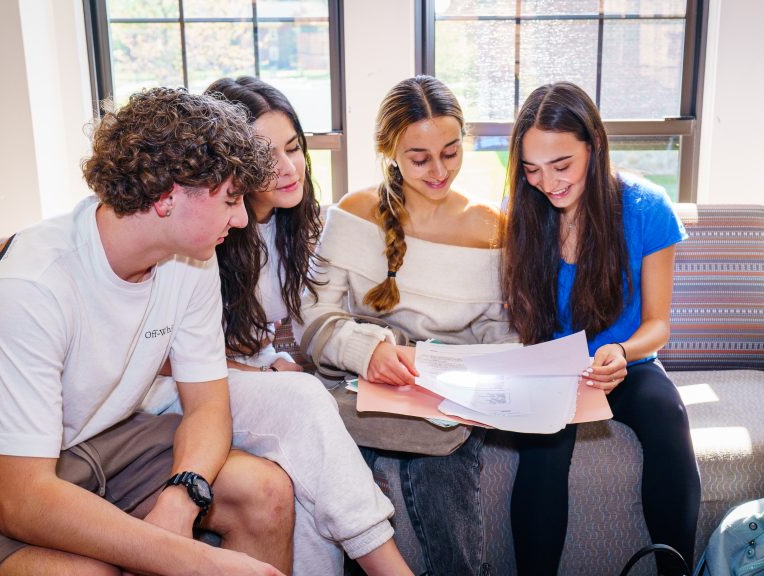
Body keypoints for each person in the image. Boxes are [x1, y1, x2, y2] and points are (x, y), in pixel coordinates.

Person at [0, 87, 295, 576]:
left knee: (267, 493)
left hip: (108, 439)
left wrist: (181, 500)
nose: (241, 219)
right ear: (167, 196)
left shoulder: (192, 261)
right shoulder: (28, 289)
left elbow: (207, 406)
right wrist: (192, 559)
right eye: (231, 199)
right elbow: (23, 499)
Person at [140, 76, 411, 576]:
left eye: (294, 148)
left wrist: (275, 360)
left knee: (304, 479)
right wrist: (266, 374)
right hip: (183, 389)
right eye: (268, 156)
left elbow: (285, 329)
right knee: (303, 399)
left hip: (243, 380)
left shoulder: (296, 226)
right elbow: (165, 354)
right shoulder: (203, 232)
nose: (289, 169)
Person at [298, 75, 513, 576]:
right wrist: (366, 349)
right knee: (349, 503)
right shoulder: (353, 213)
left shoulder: (489, 228)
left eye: (451, 153)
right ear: (389, 151)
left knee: (444, 471)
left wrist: (466, 371)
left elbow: (503, 333)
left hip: (448, 393)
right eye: (419, 158)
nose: (439, 171)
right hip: (358, 386)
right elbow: (312, 317)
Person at [501, 81, 700, 575]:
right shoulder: (522, 214)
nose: (549, 183)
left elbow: (658, 325)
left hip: (626, 364)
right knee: (545, 446)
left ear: (594, 145)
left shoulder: (645, 207)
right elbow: (521, 322)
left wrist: (622, 351)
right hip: (554, 368)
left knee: (668, 417)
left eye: (562, 165)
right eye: (532, 170)